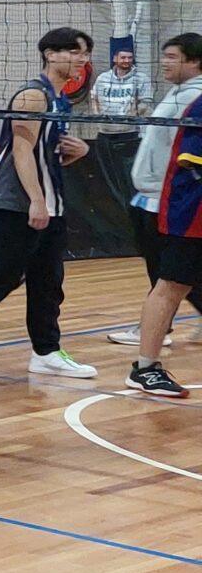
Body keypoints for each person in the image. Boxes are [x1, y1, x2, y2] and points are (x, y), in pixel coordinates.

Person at [0, 25, 99, 382]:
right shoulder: (33, 95)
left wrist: (80, 151)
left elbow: (47, 154)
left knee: (48, 279)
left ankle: (46, 351)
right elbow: (22, 152)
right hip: (15, 203)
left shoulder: (61, 99)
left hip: (49, 202)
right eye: (74, 51)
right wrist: (36, 202)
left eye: (85, 53)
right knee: (4, 275)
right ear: (50, 53)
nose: (81, 60)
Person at [113, 32, 202, 357]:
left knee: (169, 279)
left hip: (176, 203)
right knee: (172, 279)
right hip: (153, 197)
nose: (164, 62)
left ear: (194, 62)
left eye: (173, 57)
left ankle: (153, 342)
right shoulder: (177, 94)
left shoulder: (194, 99)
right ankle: (154, 335)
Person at [128, 80, 202, 400]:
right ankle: (146, 369)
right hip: (193, 214)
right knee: (171, 285)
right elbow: (190, 160)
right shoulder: (198, 104)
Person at [91, 46, 148, 120]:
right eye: (123, 57)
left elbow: (145, 104)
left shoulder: (141, 78)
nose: (127, 60)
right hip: (106, 127)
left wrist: (131, 118)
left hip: (130, 127)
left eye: (130, 57)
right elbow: (94, 99)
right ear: (115, 59)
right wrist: (98, 117)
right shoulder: (102, 78)